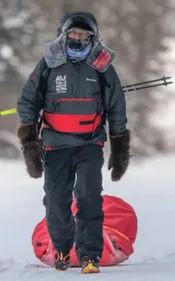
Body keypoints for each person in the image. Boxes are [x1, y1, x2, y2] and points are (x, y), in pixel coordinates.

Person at [15, 11, 131, 274]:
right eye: (73, 33)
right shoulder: (48, 64)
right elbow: (27, 102)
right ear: (63, 33)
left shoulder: (103, 66)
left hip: (90, 144)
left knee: (89, 196)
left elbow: (117, 108)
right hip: (55, 145)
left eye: (84, 33)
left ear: (93, 37)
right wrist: (30, 145)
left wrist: (120, 148)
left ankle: (90, 254)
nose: (78, 37)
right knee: (56, 199)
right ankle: (63, 249)